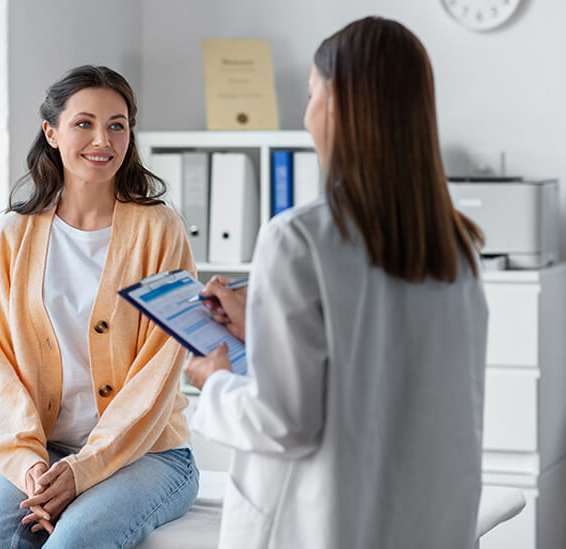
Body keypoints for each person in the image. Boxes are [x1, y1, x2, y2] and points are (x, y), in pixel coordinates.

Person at [183, 16, 488, 549]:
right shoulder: (456, 246)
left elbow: (284, 422)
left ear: (339, 101)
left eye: (310, 95)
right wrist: (263, 330)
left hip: (324, 527)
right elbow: (379, 368)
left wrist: (214, 383)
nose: (306, 118)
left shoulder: (298, 238)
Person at [0, 65, 198, 548]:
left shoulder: (161, 230)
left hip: (150, 455)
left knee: (74, 542)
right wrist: (32, 469)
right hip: (40, 453)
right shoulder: (12, 236)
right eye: (84, 123)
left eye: (117, 124)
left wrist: (84, 469)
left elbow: (162, 368)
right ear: (51, 132)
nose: (102, 140)